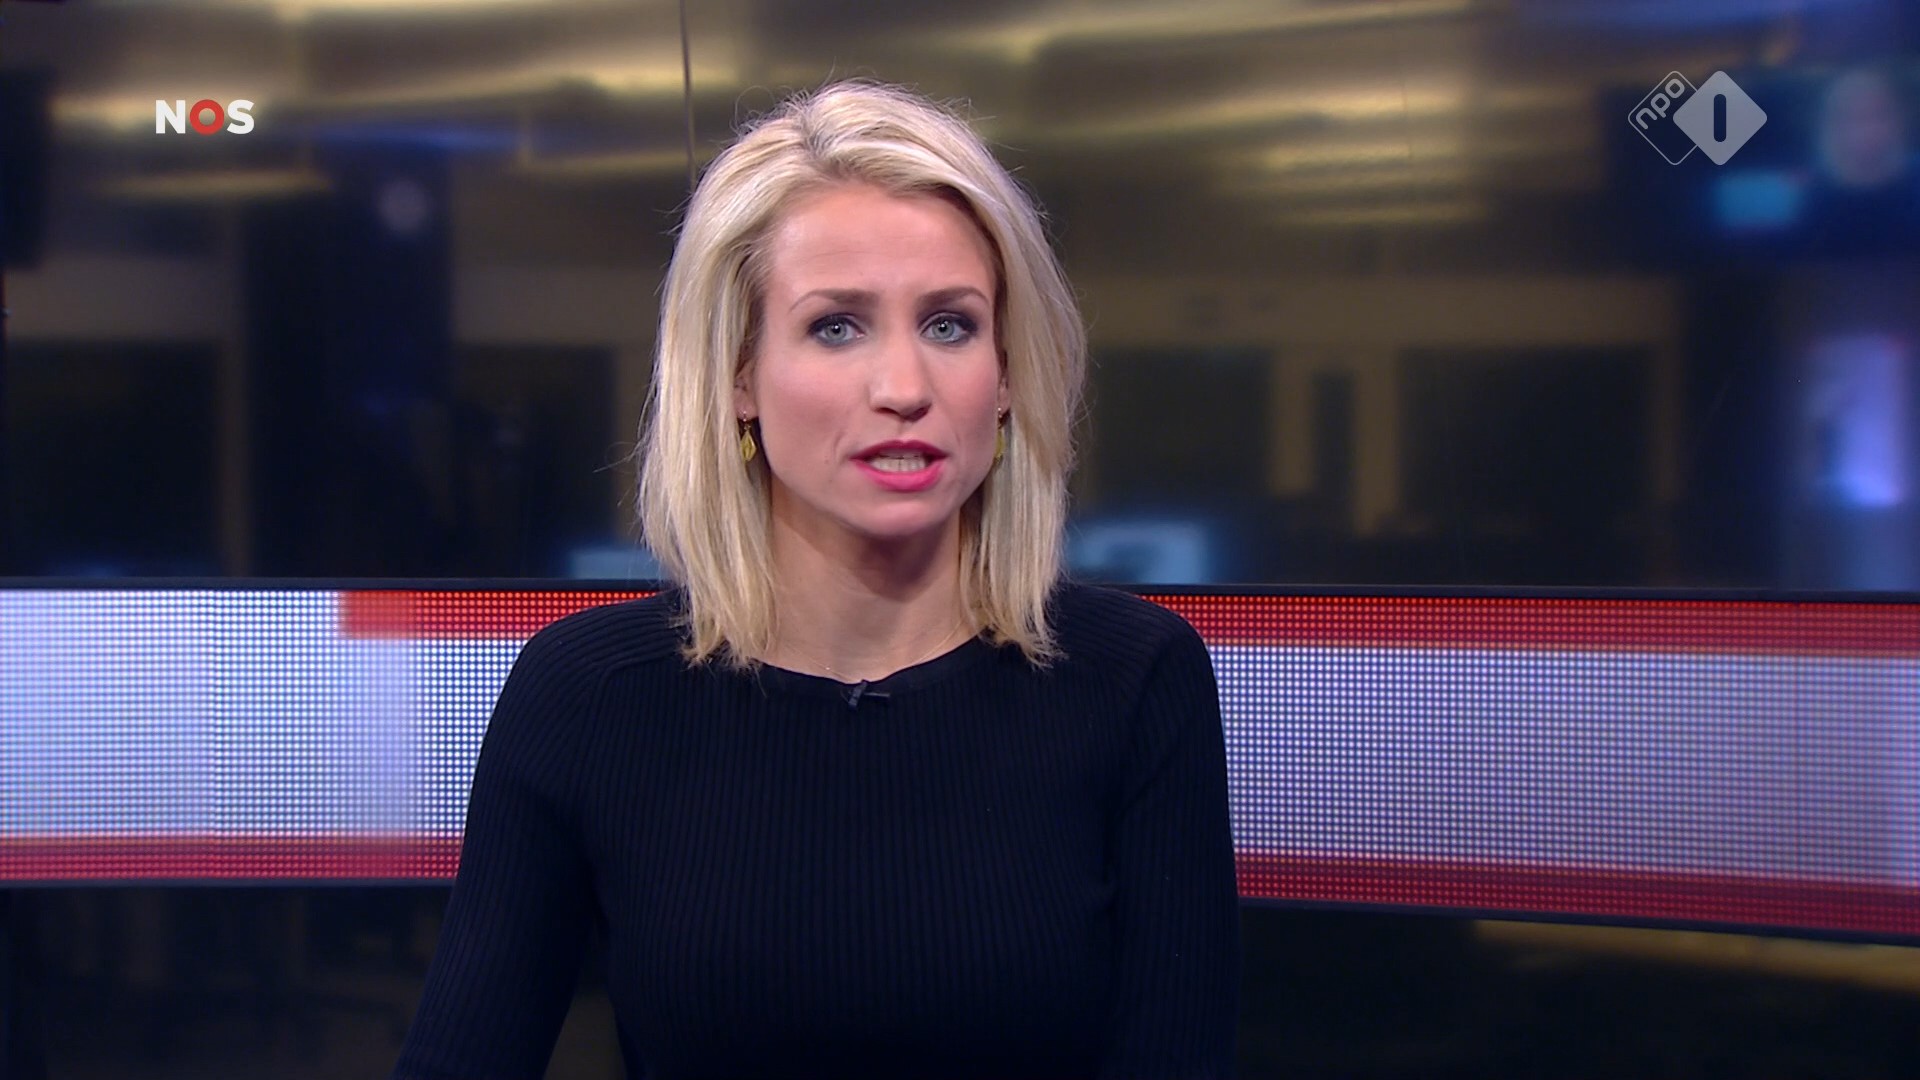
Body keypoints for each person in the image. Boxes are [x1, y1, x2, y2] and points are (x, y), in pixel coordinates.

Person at [390, 79, 1241, 1080]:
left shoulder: (1134, 681)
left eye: (950, 325)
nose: (904, 389)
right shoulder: (588, 696)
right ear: (738, 374)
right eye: (837, 326)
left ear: (1008, 374)